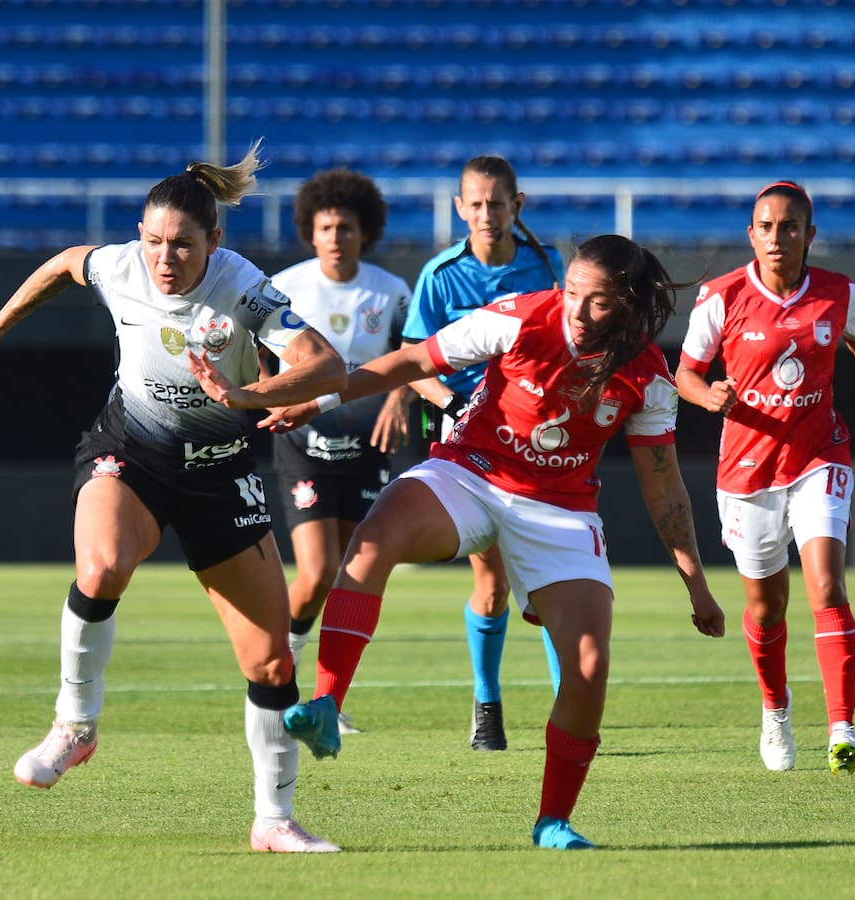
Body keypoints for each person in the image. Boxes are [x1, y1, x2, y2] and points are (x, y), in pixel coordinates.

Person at [193, 233, 727, 850]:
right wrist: (320, 396)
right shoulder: (522, 316)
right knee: (373, 540)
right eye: (573, 293)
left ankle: (553, 821)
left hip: (560, 508)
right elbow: (414, 361)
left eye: (599, 301)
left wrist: (698, 586)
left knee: (589, 667)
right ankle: (326, 707)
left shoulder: (647, 374)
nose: (578, 312)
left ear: (628, 305)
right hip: (469, 473)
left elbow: (664, 488)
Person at [0, 143, 348, 853]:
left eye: (183, 246)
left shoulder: (245, 289)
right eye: (154, 242)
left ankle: (273, 821)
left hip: (220, 473)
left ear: (214, 242)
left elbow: (326, 364)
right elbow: (67, 262)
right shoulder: (122, 265)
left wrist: (252, 395)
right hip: (130, 450)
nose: (165, 260)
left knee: (273, 662)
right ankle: (75, 724)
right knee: (101, 567)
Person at [675, 180, 855, 775]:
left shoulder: (838, 293)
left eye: (789, 226)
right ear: (750, 234)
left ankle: (842, 727)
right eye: (766, 227)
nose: (777, 237)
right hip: (748, 469)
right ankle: (776, 710)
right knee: (767, 606)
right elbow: (685, 374)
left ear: (809, 233)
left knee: (826, 585)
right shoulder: (721, 296)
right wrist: (710, 398)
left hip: (819, 455)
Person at [404, 155, 567, 751]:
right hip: (469, 444)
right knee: (492, 579)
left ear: (516, 205)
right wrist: (451, 404)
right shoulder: (441, 275)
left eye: (496, 203)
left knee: (552, 578)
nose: (486, 213)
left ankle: (566, 709)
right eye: (474, 203)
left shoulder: (547, 267)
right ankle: (487, 706)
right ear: (458, 208)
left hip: (535, 439)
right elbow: (415, 362)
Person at [268, 169, 414, 735]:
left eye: (345, 227)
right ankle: (279, 673)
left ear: (364, 232)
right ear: (310, 230)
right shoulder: (286, 287)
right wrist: (263, 396)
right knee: (318, 570)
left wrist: (400, 397)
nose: (335, 236)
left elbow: (411, 354)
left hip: (366, 448)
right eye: (325, 226)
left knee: (350, 577)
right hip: (304, 446)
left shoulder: (390, 291)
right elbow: (257, 347)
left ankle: (327, 700)